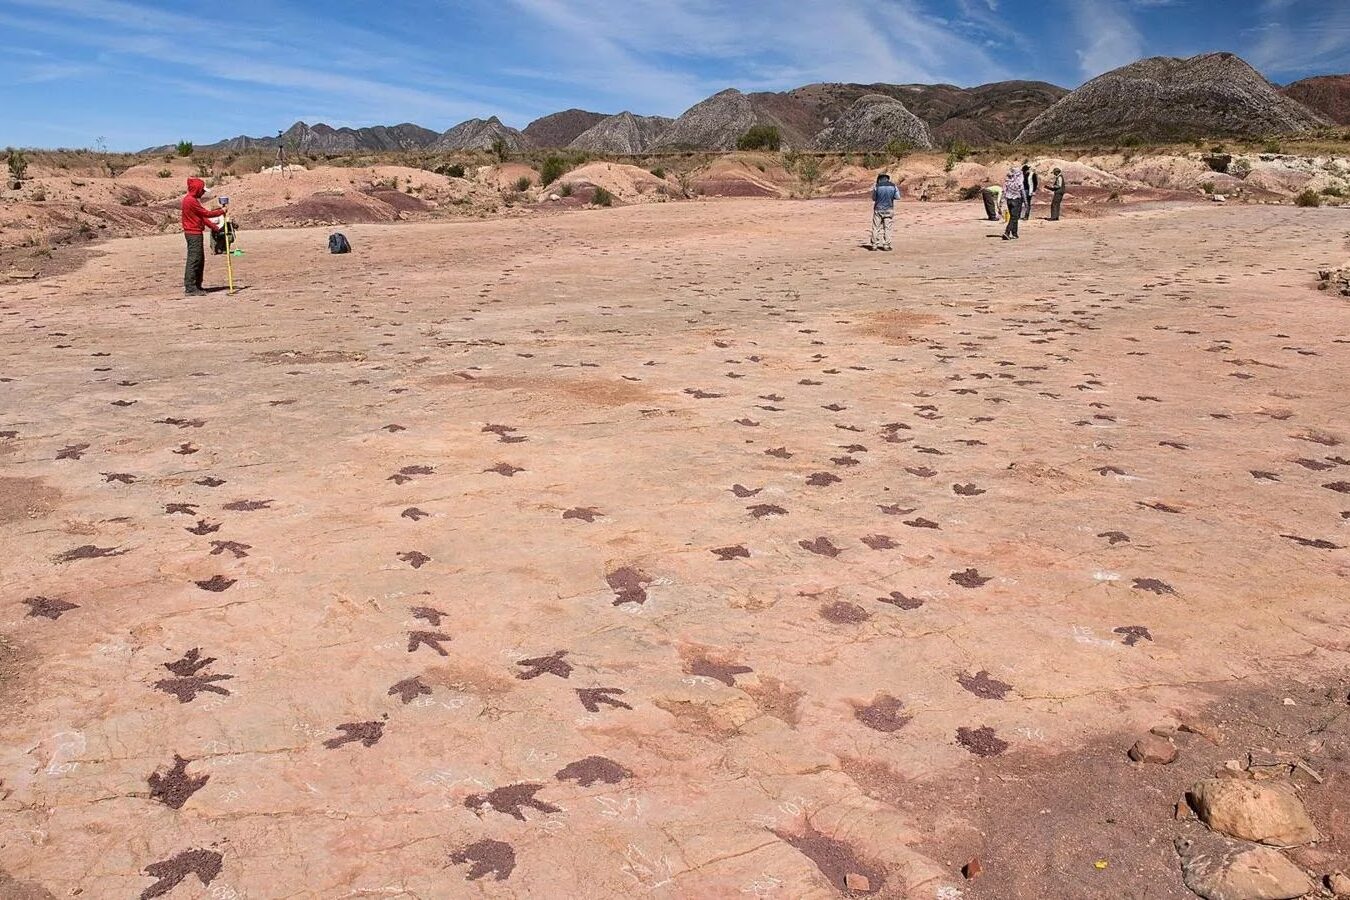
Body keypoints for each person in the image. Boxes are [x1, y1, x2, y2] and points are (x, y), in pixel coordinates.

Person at [181, 177, 226, 296]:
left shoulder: (192, 200)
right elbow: (206, 213)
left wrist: (214, 227)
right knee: (194, 259)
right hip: (193, 234)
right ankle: (190, 287)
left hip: (195, 233)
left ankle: (196, 285)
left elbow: (202, 217)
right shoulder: (190, 201)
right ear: (197, 189)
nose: (203, 193)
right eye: (202, 190)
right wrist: (221, 211)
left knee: (199, 259)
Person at [869, 173, 899, 251]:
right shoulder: (893, 186)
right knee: (887, 228)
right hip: (889, 209)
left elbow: (873, 198)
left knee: (876, 227)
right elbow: (897, 197)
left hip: (878, 209)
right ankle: (886, 245)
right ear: (887, 179)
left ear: (879, 179)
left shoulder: (877, 186)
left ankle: (874, 245)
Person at [1002, 167, 1024, 240]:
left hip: (1009, 200)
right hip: (1016, 200)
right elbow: (1022, 191)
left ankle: (1014, 233)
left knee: (1013, 217)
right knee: (1014, 217)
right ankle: (1007, 232)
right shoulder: (1018, 181)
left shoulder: (1007, 180)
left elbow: (1004, 191)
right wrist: (1026, 202)